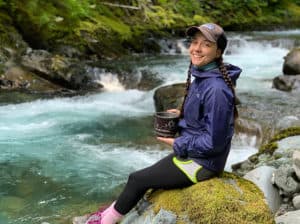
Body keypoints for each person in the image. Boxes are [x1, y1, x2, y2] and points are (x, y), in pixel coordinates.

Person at [85, 23, 242, 224]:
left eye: (206, 45)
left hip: (203, 163)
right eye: (194, 42)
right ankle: (108, 213)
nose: (196, 48)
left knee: (137, 179)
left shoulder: (216, 89)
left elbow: (214, 143)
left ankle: (103, 222)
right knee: (142, 179)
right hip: (194, 155)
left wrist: (175, 143)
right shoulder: (204, 77)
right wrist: (181, 115)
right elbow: (204, 118)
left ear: (218, 51)